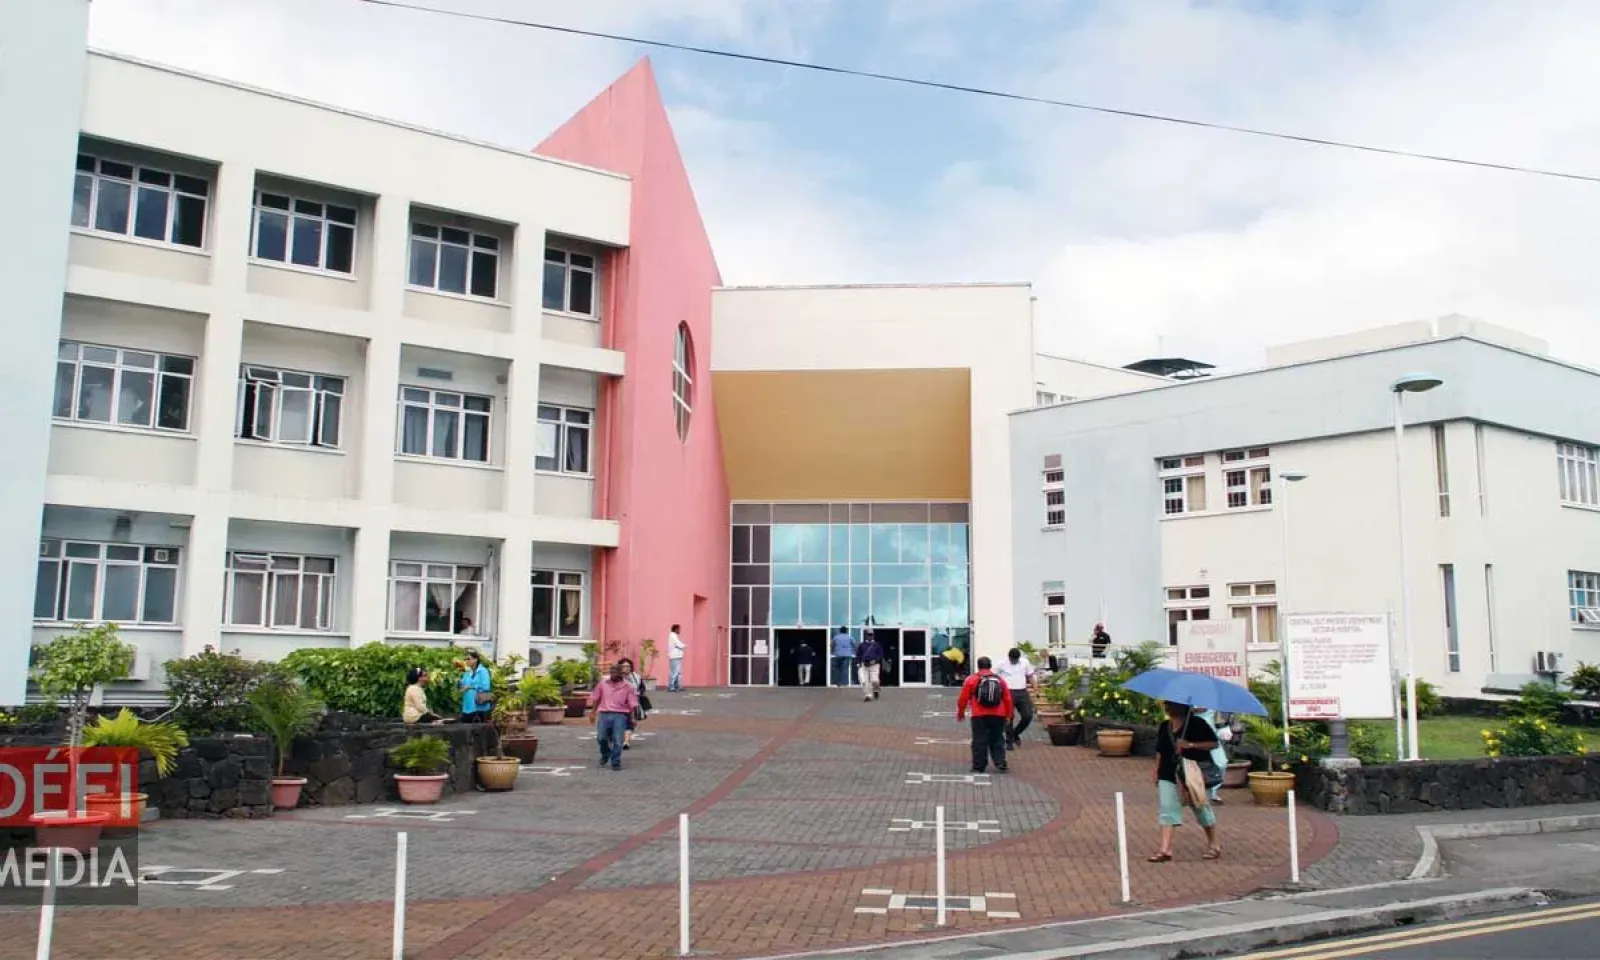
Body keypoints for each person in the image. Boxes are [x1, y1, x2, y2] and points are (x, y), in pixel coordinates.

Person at [1149, 700, 1222, 862]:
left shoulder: (1197, 724)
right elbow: (1160, 751)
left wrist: (1190, 745)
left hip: (1192, 772)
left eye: (1171, 704)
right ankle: (1165, 849)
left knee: (1200, 808)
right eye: (1166, 704)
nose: (1167, 708)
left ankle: (1213, 843)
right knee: (1167, 808)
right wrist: (1156, 769)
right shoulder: (1165, 726)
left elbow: (1213, 743)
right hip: (1168, 772)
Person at [956, 656, 1013, 774]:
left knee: (979, 740)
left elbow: (963, 698)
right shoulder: (999, 680)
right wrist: (1008, 715)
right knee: (997, 738)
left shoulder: (971, 679)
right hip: (998, 714)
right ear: (990, 666)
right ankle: (1000, 762)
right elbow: (1007, 698)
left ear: (978, 666)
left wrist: (961, 712)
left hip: (979, 714)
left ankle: (979, 766)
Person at [587, 662, 640, 770]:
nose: (613, 674)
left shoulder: (628, 686)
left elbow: (632, 704)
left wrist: (633, 718)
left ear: (621, 673)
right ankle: (606, 753)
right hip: (604, 714)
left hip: (620, 715)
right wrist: (593, 712)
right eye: (611, 672)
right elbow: (596, 698)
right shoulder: (603, 683)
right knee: (601, 737)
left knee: (617, 739)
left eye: (615, 672)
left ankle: (615, 761)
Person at [996, 648, 1036, 748]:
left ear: (1019, 657)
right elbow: (996, 677)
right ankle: (1009, 741)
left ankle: (1015, 733)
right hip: (1007, 692)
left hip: (1022, 692)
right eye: (1012, 659)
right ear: (1009, 657)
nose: (1014, 661)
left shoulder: (1025, 662)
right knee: (1009, 717)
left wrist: (1036, 688)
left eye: (1016, 659)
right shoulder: (1001, 664)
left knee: (1028, 715)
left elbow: (1030, 676)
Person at [1195, 707, 1231, 804]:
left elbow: (1220, 717)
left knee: (1221, 763)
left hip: (1212, 737)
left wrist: (1223, 728)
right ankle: (1198, 792)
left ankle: (1212, 793)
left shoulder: (1213, 702)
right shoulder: (1190, 699)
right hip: (1193, 737)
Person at [618, 658, 648, 749]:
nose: (627, 668)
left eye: (628, 666)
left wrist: (639, 694)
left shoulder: (636, 677)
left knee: (630, 722)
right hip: (618, 705)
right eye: (624, 666)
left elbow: (642, 688)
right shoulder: (616, 677)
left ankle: (626, 742)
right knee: (618, 722)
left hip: (632, 704)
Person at [457, 651, 492, 722]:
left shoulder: (483, 671)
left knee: (477, 726)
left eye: (468, 659)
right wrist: (459, 683)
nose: (466, 661)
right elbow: (462, 684)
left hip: (479, 706)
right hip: (467, 706)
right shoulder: (467, 673)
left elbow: (486, 687)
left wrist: (470, 687)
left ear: (475, 659)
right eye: (465, 659)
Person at [856, 631, 885, 701]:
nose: (870, 636)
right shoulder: (862, 645)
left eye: (871, 635)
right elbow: (858, 654)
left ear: (873, 636)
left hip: (874, 664)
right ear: (866, 636)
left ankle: (875, 690)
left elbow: (880, 654)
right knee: (865, 681)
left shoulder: (877, 645)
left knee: (874, 680)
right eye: (868, 635)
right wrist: (858, 663)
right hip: (864, 664)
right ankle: (868, 695)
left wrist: (875, 660)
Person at [667, 624, 686, 691]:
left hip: (677, 656)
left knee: (678, 672)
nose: (680, 630)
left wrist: (683, 645)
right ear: (675, 629)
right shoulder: (672, 636)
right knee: (675, 672)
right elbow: (678, 644)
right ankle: (672, 686)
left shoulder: (674, 636)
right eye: (679, 629)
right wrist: (684, 645)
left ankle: (677, 686)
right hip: (675, 656)